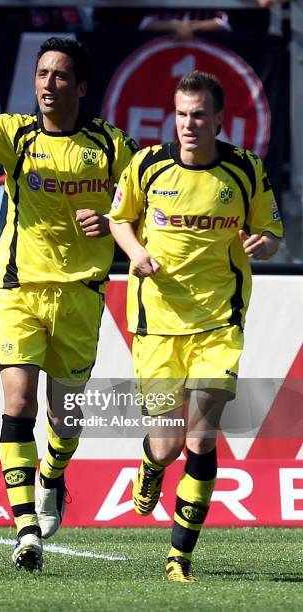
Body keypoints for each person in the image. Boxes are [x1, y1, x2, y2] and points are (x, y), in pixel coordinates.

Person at [0, 37, 138, 571]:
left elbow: (148, 206)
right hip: (18, 289)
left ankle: (52, 476)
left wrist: (116, 225)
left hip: (81, 295)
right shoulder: (15, 134)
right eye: (42, 74)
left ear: (81, 86)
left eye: (61, 76)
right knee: (18, 404)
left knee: (64, 419)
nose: (48, 84)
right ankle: (26, 531)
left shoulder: (112, 146)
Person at [109, 70, 283, 583]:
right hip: (157, 323)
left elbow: (271, 230)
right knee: (166, 445)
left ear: (218, 121)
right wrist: (136, 251)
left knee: (202, 440)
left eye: (199, 115)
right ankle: (151, 466)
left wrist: (264, 244)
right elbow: (119, 218)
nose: (188, 124)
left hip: (218, 324)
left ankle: (178, 558)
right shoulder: (147, 165)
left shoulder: (245, 170)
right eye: (182, 114)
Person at [139, 9, 231, 39]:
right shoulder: (165, 6)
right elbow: (145, 24)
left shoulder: (208, 7)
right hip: (165, 61)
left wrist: (193, 26)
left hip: (203, 64)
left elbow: (222, 24)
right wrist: (174, 25)